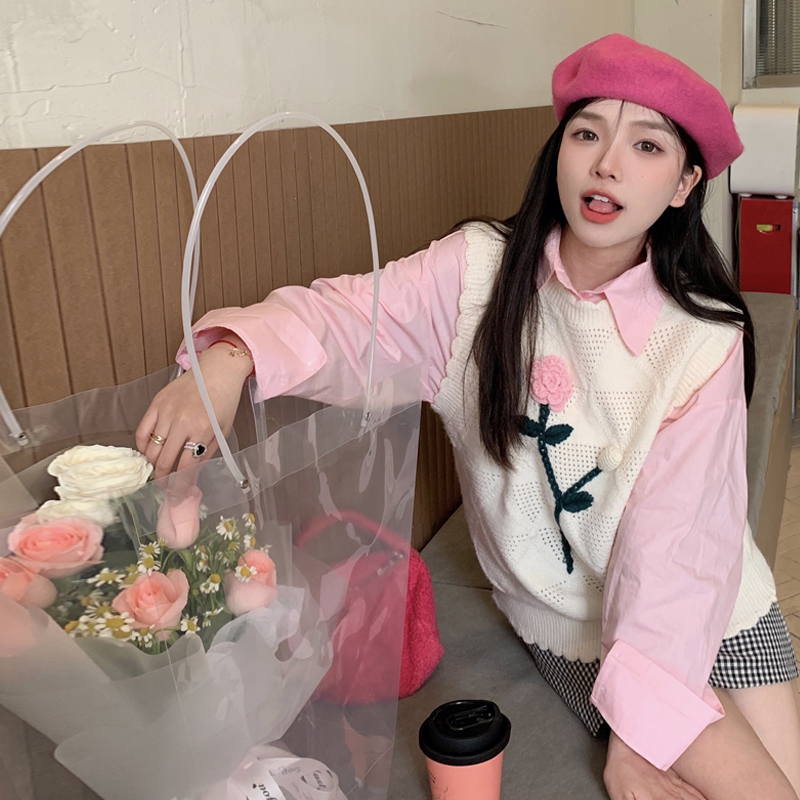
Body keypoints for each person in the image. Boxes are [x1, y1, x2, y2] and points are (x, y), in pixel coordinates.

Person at [136, 34, 800, 800]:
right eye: (587, 133)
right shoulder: (477, 271)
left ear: (685, 184)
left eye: (646, 146)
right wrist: (231, 357)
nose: (607, 164)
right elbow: (354, 318)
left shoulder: (705, 336)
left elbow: (676, 553)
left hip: (714, 599)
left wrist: (636, 740)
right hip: (576, 618)